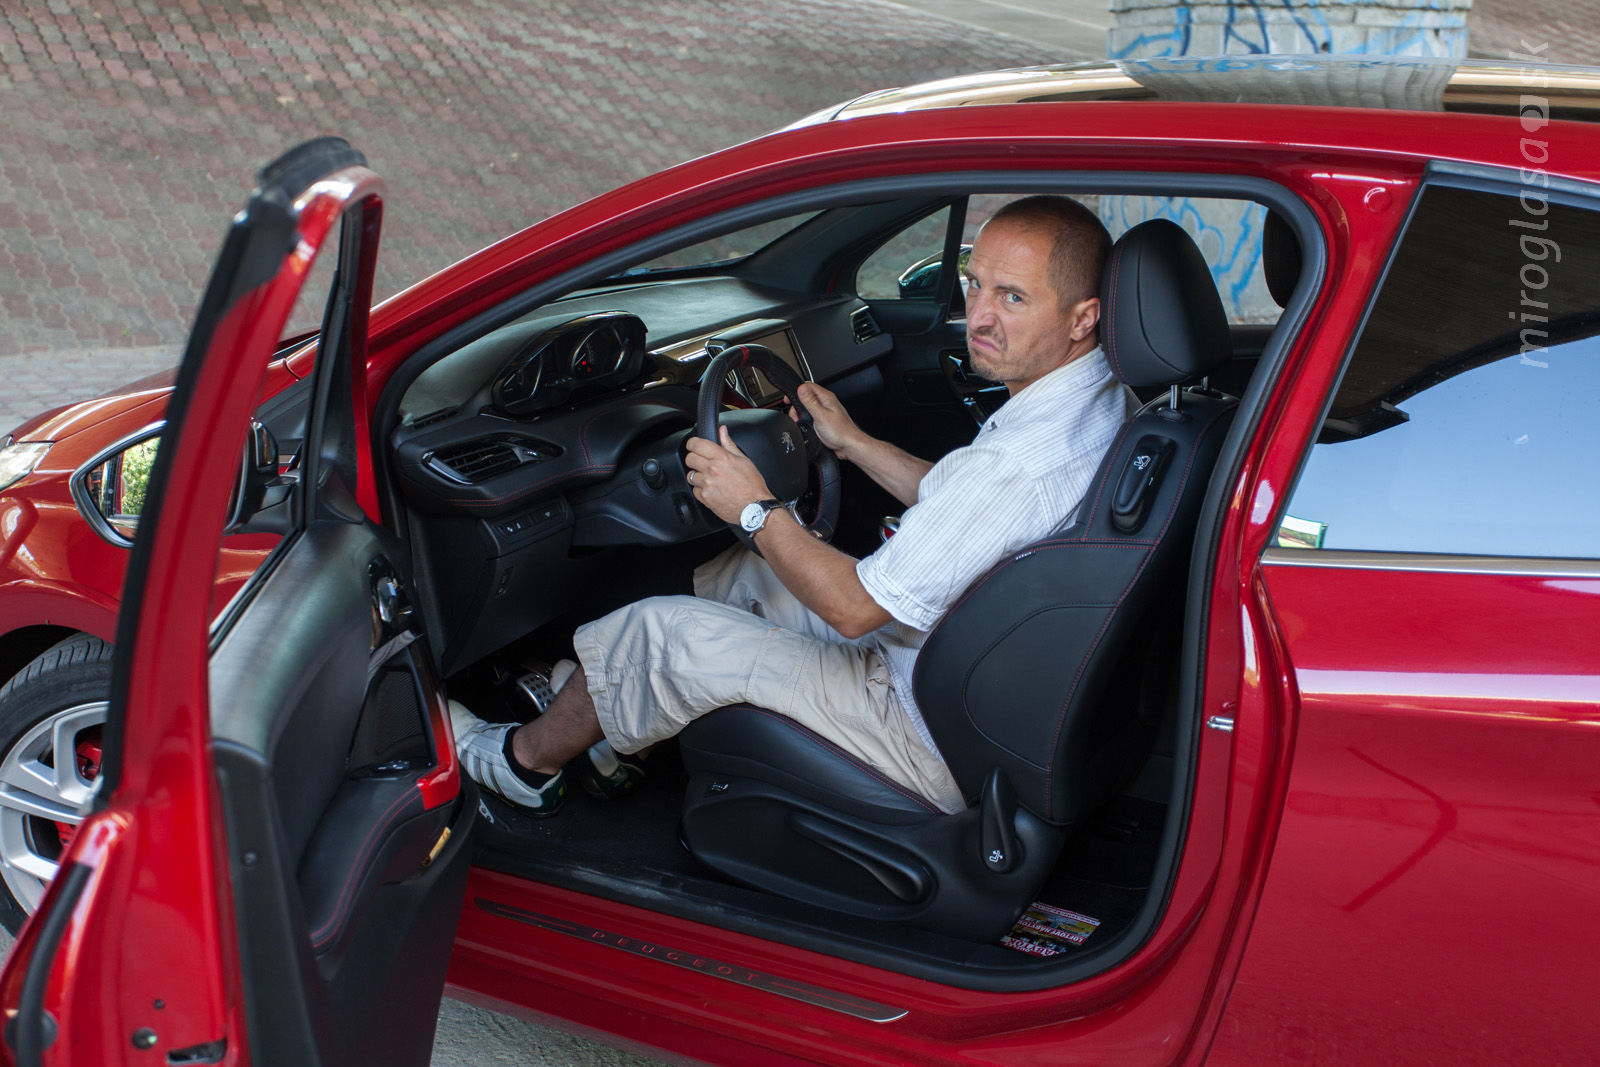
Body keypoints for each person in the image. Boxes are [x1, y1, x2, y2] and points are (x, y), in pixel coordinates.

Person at [451, 195, 1136, 816]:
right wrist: (854, 443)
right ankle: (612, 743)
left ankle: (523, 763)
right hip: (962, 675)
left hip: (919, 729)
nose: (977, 317)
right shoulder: (1096, 400)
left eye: (1012, 298)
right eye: (974, 283)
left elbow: (854, 607)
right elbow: (965, 502)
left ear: (1083, 316)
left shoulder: (1018, 464)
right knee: (745, 576)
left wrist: (753, 507)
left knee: (658, 633)